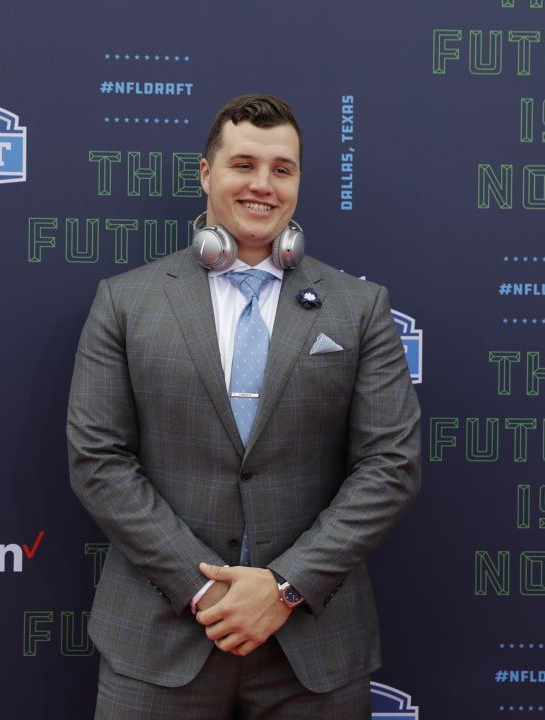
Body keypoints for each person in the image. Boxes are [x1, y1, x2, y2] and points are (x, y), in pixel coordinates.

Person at [67, 93, 421, 719]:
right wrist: (203, 589)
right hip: (158, 643)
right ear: (206, 173)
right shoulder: (125, 302)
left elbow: (390, 466)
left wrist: (283, 589)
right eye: (243, 165)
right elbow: (99, 460)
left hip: (313, 649)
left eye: (282, 170)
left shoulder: (358, 307)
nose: (263, 185)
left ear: (299, 183)